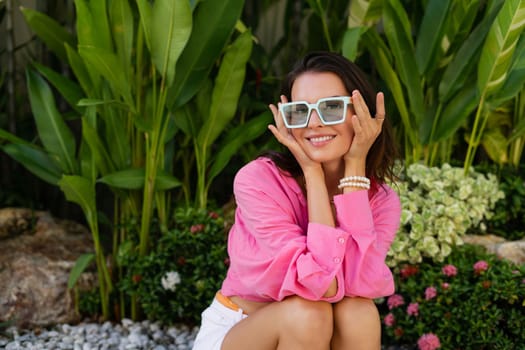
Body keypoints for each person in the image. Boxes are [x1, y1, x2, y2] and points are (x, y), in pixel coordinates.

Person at [192, 51, 401, 350]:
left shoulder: (381, 201)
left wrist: (355, 168)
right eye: (300, 111)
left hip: (317, 335)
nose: (313, 123)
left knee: (359, 312)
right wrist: (312, 174)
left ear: (361, 114)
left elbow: (360, 285)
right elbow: (320, 285)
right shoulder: (259, 181)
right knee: (307, 312)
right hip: (241, 331)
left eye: (331, 108)